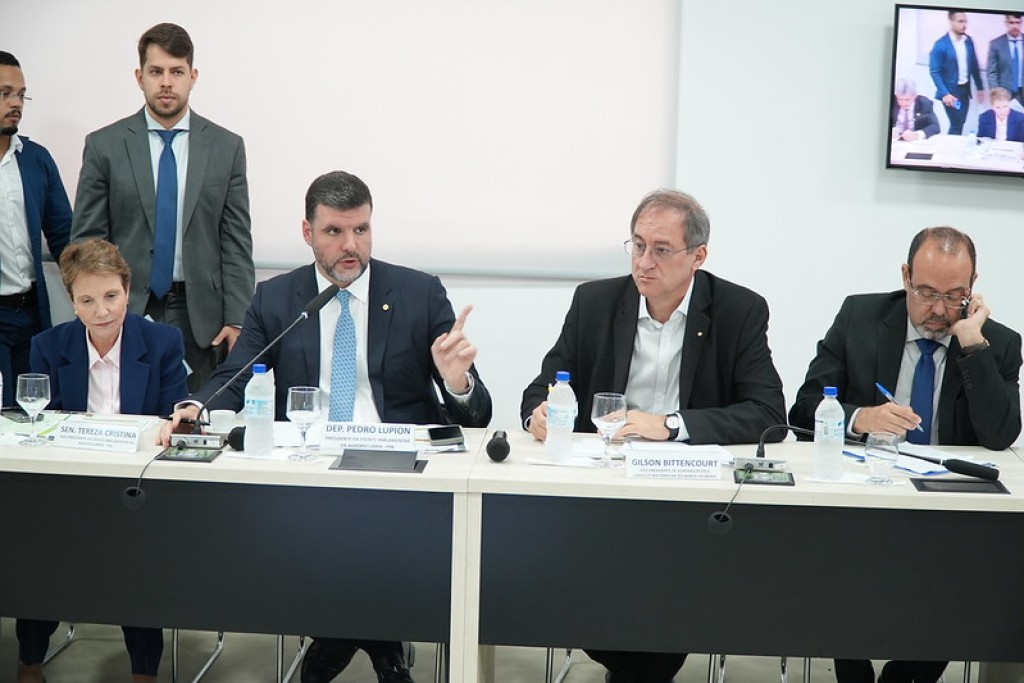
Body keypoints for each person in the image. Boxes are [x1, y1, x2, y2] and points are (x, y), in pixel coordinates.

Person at [160, 170, 492, 683]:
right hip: (309, 469)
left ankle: (333, 647)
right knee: (328, 534)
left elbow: (478, 414)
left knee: (366, 533)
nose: (350, 245)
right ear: (307, 232)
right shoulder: (277, 298)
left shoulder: (418, 292)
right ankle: (384, 648)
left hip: (398, 474)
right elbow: (236, 374)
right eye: (335, 231)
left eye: (361, 229)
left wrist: (457, 381)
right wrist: (194, 406)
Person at [520, 189, 786, 682]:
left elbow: (768, 413)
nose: (644, 262)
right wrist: (538, 415)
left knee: (661, 600)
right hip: (603, 494)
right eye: (638, 245)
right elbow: (545, 386)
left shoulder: (739, 310)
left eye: (661, 250)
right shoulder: (595, 302)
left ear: (698, 256)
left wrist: (669, 425)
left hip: (687, 499)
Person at [789, 227, 1021, 683]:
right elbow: (803, 409)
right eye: (926, 292)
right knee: (835, 564)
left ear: (973, 287)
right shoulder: (859, 317)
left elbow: (1000, 435)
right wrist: (862, 418)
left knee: (968, 578)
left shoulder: (997, 343)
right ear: (905, 276)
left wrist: (971, 343)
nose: (939, 310)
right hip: (862, 502)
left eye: (954, 296)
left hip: (948, 514)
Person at [16, 239, 187, 683]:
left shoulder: (163, 342)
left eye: (111, 296)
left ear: (127, 290)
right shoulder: (48, 346)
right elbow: (40, 424)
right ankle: (30, 662)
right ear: (72, 302)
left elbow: (174, 419)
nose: (102, 311)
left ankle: (144, 670)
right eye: (87, 300)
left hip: (138, 491)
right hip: (71, 488)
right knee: (39, 550)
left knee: (138, 558)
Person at [71, 22, 254, 393]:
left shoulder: (226, 147)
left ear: (193, 76)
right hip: (125, 310)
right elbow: (87, 242)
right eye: (156, 72)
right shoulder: (105, 146)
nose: (166, 82)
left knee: (195, 414)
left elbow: (236, 242)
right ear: (140, 77)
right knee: (127, 412)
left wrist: (237, 319)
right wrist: (97, 310)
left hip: (202, 319)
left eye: (177, 72)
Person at [0, 51, 71, 406]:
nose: (16, 104)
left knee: (35, 410)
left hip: (32, 313)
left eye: (21, 95)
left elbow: (64, 236)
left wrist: (89, 295)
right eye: (5, 93)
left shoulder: (35, 158)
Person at [929, 11, 984, 135]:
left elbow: (974, 65)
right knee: (956, 123)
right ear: (951, 22)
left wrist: (980, 87)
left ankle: (953, 144)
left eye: (965, 21)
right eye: (960, 21)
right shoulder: (941, 45)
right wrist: (945, 93)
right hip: (950, 93)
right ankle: (950, 146)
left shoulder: (968, 41)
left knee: (961, 121)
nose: (964, 25)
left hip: (964, 91)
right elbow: (935, 71)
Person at [985, 13, 1024, 108]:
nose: (1015, 26)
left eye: (1017, 22)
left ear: (1021, 23)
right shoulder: (996, 44)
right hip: (1004, 93)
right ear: (1006, 23)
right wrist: (996, 95)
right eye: (1011, 22)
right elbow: (991, 73)